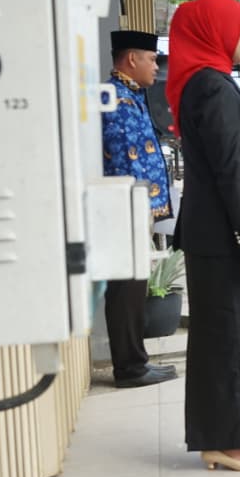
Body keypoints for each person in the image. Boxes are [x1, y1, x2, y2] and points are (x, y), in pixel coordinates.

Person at [165, 0, 240, 473]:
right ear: (216, 33)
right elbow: (232, 169)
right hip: (224, 239)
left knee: (237, 337)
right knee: (230, 339)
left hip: (219, 235)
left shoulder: (210, 82)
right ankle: (225, 441)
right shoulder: (210, 87)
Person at [101, 30, 177, 388]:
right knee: (126, 288)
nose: (155, 67)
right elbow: (119, 159)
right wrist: (137, 208)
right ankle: (129, 368)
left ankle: (136, 361)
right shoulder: (115, 98)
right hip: (124, 209)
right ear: (132, 59)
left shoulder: (131, 96)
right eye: (151, 60)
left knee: (135, 286)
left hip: (136, 209)